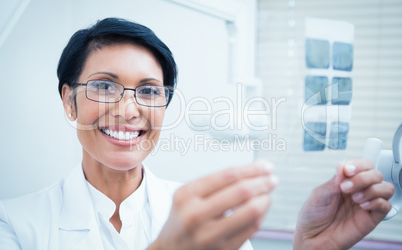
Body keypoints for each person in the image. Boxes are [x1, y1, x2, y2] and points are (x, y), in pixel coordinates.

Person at [0, 18, 394, 250]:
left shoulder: (212, 215)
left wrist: (308, 248)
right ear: (69, 102)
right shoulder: (15, 227)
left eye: (150, 91)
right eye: (105, 85)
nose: (129, 109)